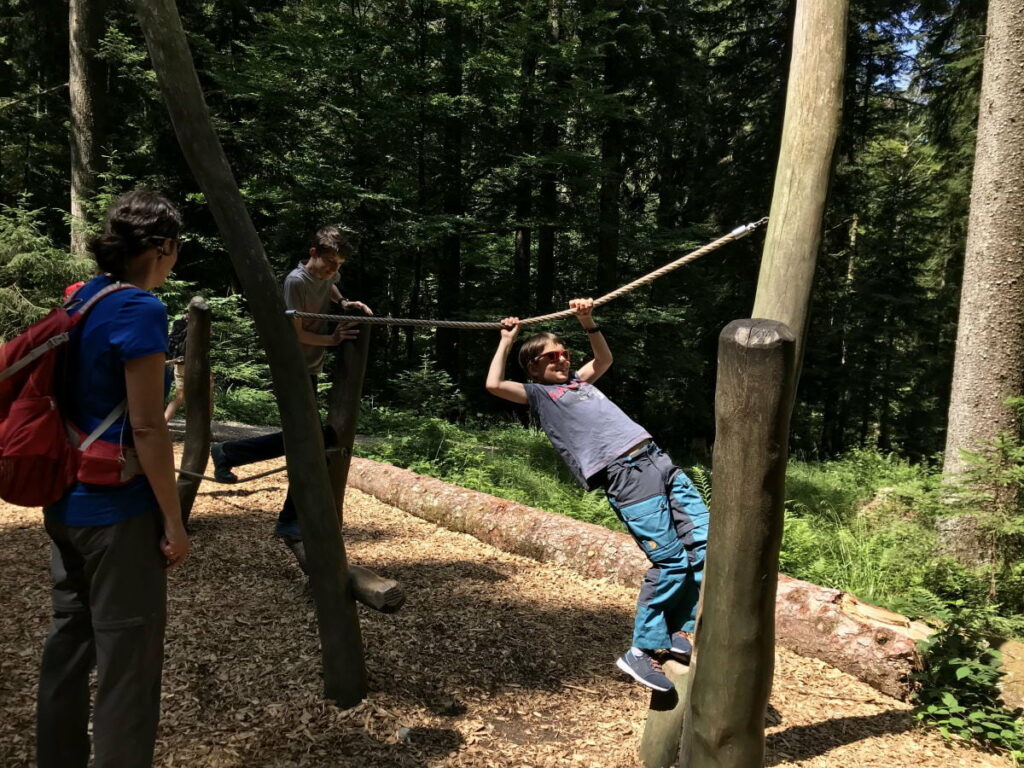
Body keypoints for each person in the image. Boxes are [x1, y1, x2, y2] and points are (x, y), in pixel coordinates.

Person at [485, 299, 709, 693]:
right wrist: (507, 340)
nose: (561, 359)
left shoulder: (580, 382)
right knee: (670, 560)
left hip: (658, 460)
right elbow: (493, 385)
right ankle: (641, 650)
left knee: (705, 544)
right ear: (534, 366)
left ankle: (679, 630)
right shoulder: (540, 394)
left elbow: (603, 359)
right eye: (551, 355)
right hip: (626, 476)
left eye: (564, 353)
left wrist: (587, 322)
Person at [38, 190, 189, 768]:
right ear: (163, 247)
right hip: (114, 511)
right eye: (175, 252)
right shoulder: (141, 309)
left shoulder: (80, 297)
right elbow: (148, 427)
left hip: (62, 502)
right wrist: (173, 520)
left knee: (68, 646)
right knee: (129, 660)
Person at [209, 225, 371, 540]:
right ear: (313, 253)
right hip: (293, 368)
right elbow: (295, 335)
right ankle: (289, 518)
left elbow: (332, 287)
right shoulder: (296, 282)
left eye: (339, 265)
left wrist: (344, 303)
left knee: (309, 437)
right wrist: (333, 339)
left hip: (310, 367)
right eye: (329, 263)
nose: (334, 270)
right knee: (311, 441)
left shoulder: (329, 275)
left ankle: (229, 452)